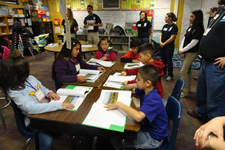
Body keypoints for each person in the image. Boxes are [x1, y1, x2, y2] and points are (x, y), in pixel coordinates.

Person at [0, 56, 74, 150]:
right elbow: (30, 108)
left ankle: (55, 129)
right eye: (24, 72)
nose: (27, 74)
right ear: (14, 75)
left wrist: (49, 93)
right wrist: (58, 105)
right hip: (34, 121)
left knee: (66, 118)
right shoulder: (13, 91)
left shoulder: (30, 78)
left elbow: (42, 88)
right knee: (47, 142)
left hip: (46, 109)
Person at [105, 65, 168, 149]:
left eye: (138, 79)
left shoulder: (153, 99)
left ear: (148, 83)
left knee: (116, 139)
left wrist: (119, 104)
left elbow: (138, 117)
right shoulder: (146, 90)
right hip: (147, 128)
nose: (136, 80)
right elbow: (127, 88)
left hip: (153, 138)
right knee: (119, 133)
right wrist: (136, 84)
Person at [187, 0, 225, 122]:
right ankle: (201, 112)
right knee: (202, 91)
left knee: (216, 98)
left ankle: (214, 126)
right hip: (206, 61)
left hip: (217, 64)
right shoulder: (221, 11)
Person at [178, 10, 204, 98]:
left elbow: (194, 42)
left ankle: (184, 91)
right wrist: (181, 49)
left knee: (183, 71)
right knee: (187, 71)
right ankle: (187, 89)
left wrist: (183, 50)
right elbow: (184, 38)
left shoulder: (199, 29)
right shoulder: (191, 27)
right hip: (186, 51)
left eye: (192, 17)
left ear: (197, 18)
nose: (190, 19)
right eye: (190, 16)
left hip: (192, 52)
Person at [159, 12, 178, 81]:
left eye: (166, 17)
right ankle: (163, 73)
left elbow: (172, 37)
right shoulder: (165, 26)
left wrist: (164, 43)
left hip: (169, 46)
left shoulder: (174, 27)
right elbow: (161, 34)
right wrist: (160, 42)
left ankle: (170, 75)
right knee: (163, 60)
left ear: (170, 18)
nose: (165, 18)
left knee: (168, 60)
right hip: (162, 45)